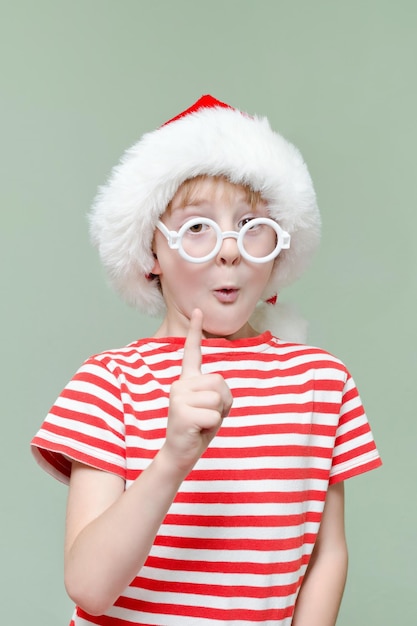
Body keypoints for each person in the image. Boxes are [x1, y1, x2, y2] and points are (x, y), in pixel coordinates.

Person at [31, 94, 382, 626]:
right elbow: (88, 588)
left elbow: (326, 554)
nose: (229, 250)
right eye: (197, 227)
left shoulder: (322, 382)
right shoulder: (109, 383)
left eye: (251, 226)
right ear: (152, 253)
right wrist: (172, 458)